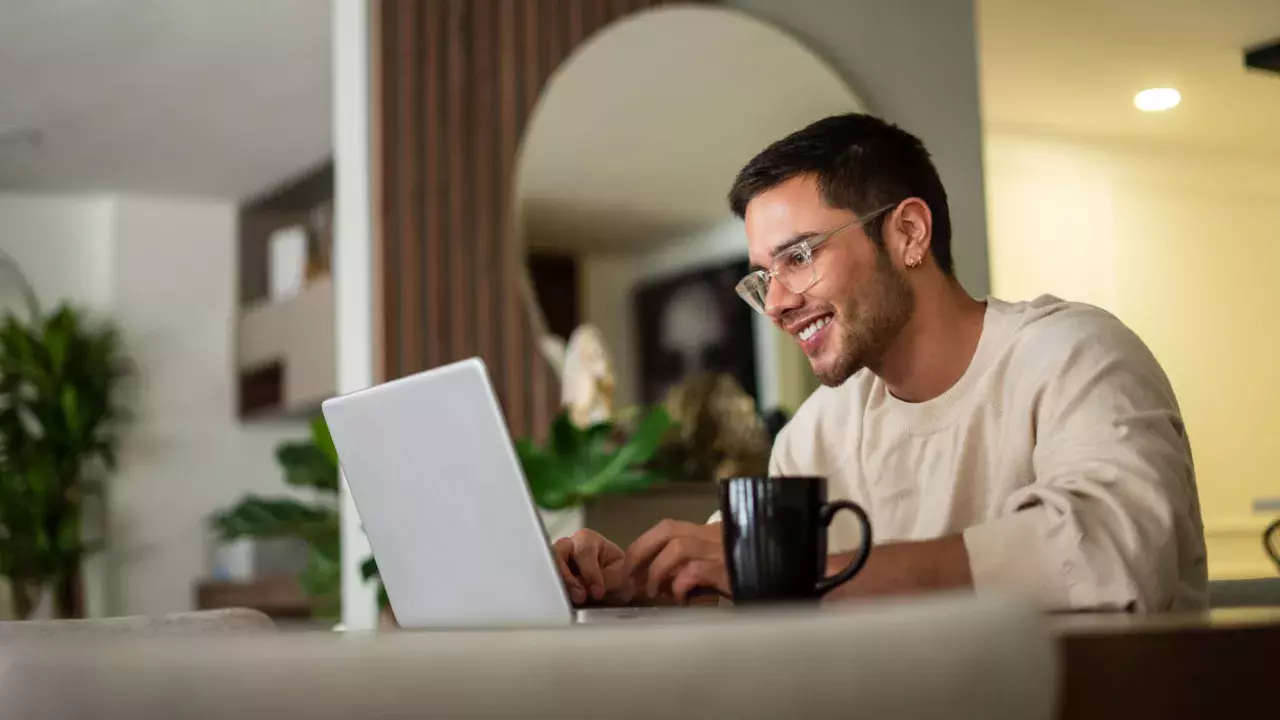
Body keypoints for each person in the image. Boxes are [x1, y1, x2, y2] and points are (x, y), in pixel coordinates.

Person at [553, 113, 1207, 613]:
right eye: (761, 278)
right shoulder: (817, 432)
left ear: (908, 234)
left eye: (799, 256)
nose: (775, 304)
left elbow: (1112, 553)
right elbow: (731, 573)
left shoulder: (1076, 355)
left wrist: (804, 571)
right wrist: (623, 579)